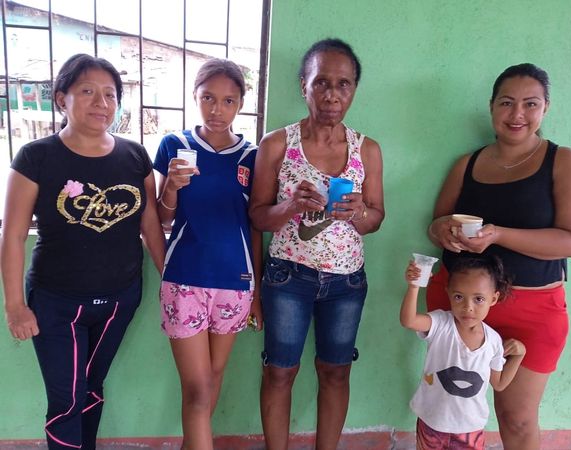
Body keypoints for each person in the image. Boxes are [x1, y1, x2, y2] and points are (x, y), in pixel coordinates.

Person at [1, 53, 165, 450]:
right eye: (88, 92)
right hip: (55, 303)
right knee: (66, 402)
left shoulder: (135, 156)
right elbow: (13, 234)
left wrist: (170, 280)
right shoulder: (36, 157)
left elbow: (150, 226)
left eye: (110, 94)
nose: (101, 103)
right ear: (62, 99)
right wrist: (15, 306)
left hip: (120, 300)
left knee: (91, 389)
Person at [426, 63, 571, 450]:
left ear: (546, 108)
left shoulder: (564, 161)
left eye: (530, 104)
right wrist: (442, 231)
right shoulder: (467, 163)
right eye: (506, 102)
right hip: (462, 305)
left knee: (517, 419)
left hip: (532, 310)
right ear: (491, 107)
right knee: (450, 407)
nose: (517, 114)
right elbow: (436, 224)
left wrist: (499, 235)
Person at [249, 38, 385, 450]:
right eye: (321, 82)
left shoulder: (367, 150)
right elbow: (257, 216)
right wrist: (290, 205)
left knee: (336, 372)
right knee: (279, 372)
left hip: (346, 283)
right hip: (287, 278)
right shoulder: (277, 144)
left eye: (344, 84)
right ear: (303, 86)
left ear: (354, 89)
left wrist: (359, 213)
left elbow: (376, 219)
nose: (332, 94)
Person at [153, 58, 262, 450]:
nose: (217, 109)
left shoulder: (253, 156)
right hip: (186, 279)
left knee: (213, 379)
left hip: (235, 284)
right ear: (195, 97)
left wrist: (257, 292)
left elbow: (256, 227)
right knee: (198, 390)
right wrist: (171, 188)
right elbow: (163, 217)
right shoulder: (175, 145)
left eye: (228, 101)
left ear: (241, 104)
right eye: (208, 98)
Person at [401, 256, 525, 450]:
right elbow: (409, 321)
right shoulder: (441, 323)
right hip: (432, 422)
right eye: (459, 297)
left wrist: (519, 355)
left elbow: (499, 383)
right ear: (448, 293)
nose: (468, 307)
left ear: (493, 298)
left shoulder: (493, 341)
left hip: (470, 429)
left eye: (478, 299)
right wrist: (414, 286)